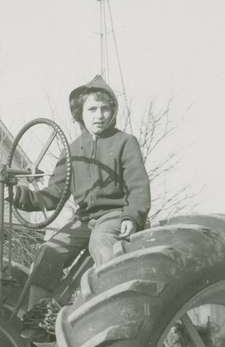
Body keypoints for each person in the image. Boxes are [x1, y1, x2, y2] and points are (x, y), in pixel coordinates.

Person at [12, 74, 151, 328]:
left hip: (115, 215)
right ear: (81, 114)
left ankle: (118, 312)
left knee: (101, 242)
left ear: (113, 111)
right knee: (49, 250)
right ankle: (38, 318)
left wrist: (133, 216)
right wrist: (22, 197)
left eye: (104, 108)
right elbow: (53, 195)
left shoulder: (125, 143)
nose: (99, 115)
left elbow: (138, 187)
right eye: (92, 109)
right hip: (84, 219)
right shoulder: (72, 150)